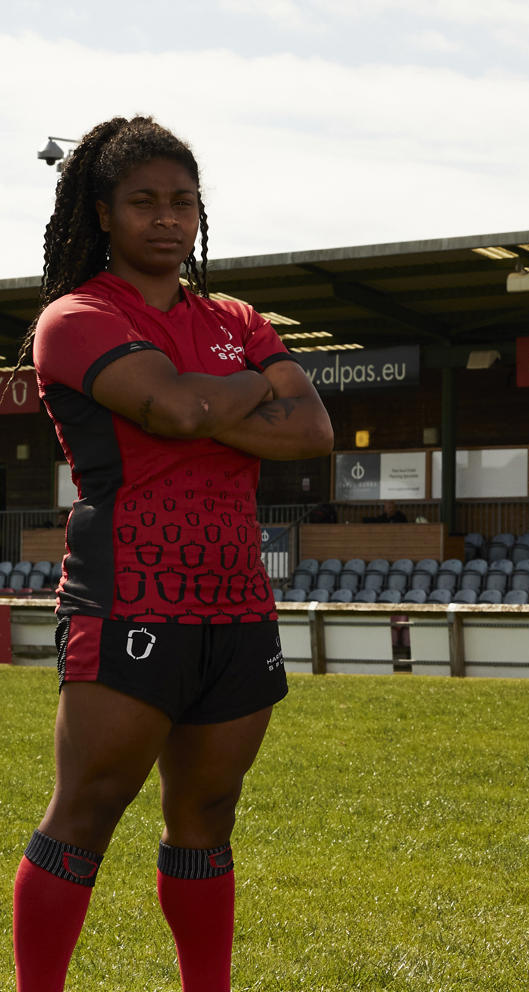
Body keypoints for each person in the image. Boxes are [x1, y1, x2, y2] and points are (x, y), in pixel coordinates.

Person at [11, 115, 334, 992]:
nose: (166, 218)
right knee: (86, 812)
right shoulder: (75, 318)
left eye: (183, 202)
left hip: (236, 598)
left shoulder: (235, 316)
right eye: (144, 201)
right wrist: (246, 391)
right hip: (129, 593)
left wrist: (207, 397)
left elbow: (311, 430)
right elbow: (173, 412)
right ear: (103, 213)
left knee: (208, 815)